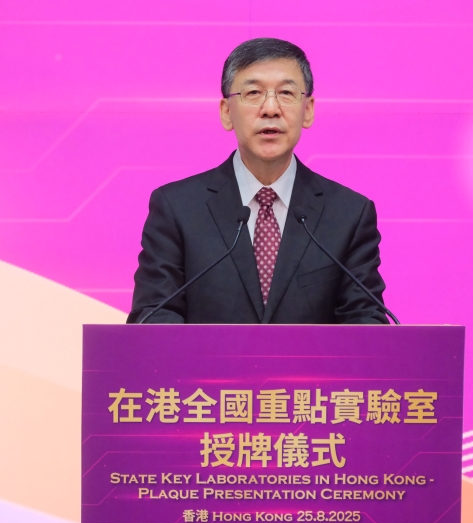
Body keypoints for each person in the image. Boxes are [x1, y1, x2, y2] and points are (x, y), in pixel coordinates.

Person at [127, 37, 389, 324]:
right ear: (226, 112)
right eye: (253, 93)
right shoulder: (177, 209)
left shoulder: (349, 214)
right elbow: (152, 317)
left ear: (308, 110)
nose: (271, 109)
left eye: (286, 93)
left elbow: (365, 322)